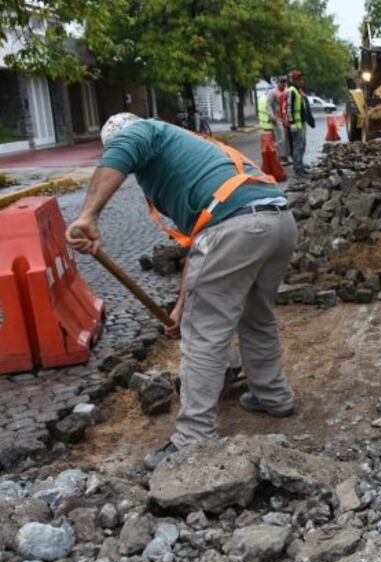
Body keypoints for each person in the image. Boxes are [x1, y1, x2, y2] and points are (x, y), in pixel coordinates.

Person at [65, 114, 298, 469]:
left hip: (236, 226)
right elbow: (200, 241)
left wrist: (89, 215)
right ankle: (274, 397)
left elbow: (125, 148)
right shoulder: (190, 153)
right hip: (277, 221)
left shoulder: (144, 131)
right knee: (256, 316)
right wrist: (178, 309)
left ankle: (192, 439)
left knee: (204, 333)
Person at [285, 69, 314, 177]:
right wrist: (291, 123)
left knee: (302, 146)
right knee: (297, 147)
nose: (302, 81)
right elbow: (289, 108)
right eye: (299, 79)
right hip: (296, 125)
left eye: (302, 79)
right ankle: (297, 169)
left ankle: (301, 166)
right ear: (294, 80)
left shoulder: (298, 91)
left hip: (301, 123)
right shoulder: (292, 91)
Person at [268, 77, 289, 163]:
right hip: (277, 118)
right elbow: (268, 105)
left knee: (287, 138)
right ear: (278, 83)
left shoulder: (287, 91)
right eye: (281, 82)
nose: (283, 84)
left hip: (286, 118)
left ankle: (286, 156)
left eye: (284, 82)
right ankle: (281, 156)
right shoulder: (273, 92)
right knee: (281, 138)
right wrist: (271, 116)